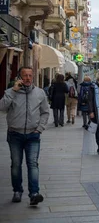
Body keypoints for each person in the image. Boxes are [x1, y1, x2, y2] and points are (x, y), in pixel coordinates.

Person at [0, 67, 49, 205]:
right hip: (15, 134)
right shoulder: (10, 92)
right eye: (24, 76)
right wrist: (13, 91)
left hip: (33, 135)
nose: (27, 78)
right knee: (16, 164)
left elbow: (45, 112)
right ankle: (17, 190)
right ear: (19, 78)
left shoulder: (40, 93)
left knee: (33, 164)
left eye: (29, 75)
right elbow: (2, 107)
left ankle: (34, 193)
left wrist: (40, 128)